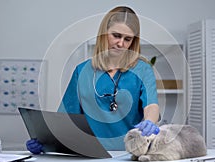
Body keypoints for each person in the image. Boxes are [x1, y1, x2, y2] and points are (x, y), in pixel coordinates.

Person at [26, 6, 160, 154]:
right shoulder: (82, 71)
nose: (121, 44)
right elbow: (65, 120)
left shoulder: (142, 69)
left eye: (127, 39)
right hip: (90, 154)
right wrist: (46, 141)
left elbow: (151, 105)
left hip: (128, 153)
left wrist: (149, 122)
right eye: (116, 35)